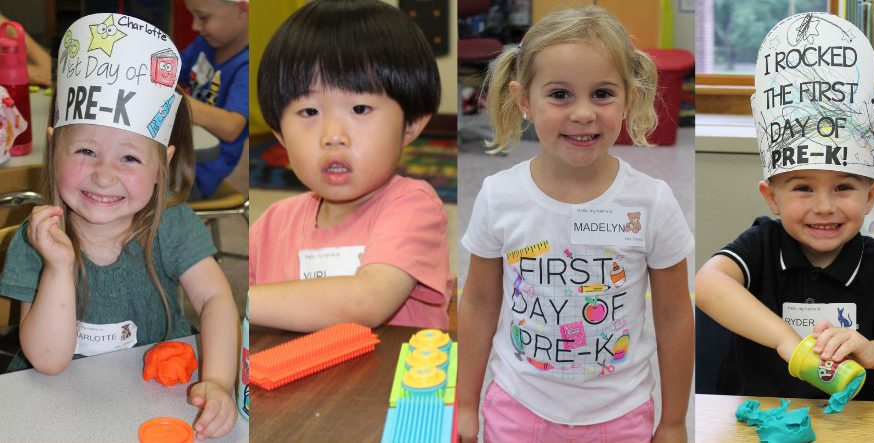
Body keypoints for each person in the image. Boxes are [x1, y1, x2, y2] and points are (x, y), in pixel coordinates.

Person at [458, 6, 695, 442]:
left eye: (602, 94)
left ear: (629, 97)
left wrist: (675, 421)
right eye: (561, 94)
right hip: (517, 410)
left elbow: (674, 315)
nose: (584, 113)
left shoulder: (651, 202)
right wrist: (466, 404)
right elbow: (477, 304)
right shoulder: (499, 197)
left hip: (620, 417)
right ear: (524, 99)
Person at [0, 14, 239, 438]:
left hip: (160, 396)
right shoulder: (38, 239)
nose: (104, 175)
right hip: (58, 401)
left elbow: (217, 300)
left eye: (129, 158)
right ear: (54, 148)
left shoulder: (171, 224)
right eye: (86, 150)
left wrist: (220, 380)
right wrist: (58, 266)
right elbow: (50, 361)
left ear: (160, 165)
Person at [695, 12, 874, 401]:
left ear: (870, 196)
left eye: (843, 187)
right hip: (754, 419)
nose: (824, 207)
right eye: (803, 188)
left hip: (848, 425)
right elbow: (708, 284)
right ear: (772, 197)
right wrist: (786, 341)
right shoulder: (763, 243)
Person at [249, 0, 450, 331]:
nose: (333, 136)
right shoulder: (271, 226)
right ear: (280, 135)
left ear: (411, 125)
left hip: (389, 381)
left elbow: (366, 302)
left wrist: (241, 302)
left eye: (359, 108)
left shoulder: (413, 206)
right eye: (309, 112)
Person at [180, 0, 249, 198]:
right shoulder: (205, 43)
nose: (195, 26)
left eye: (203, 17)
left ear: (242, 10)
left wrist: (179, 102)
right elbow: (174, 71)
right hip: (182, 150)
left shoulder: (246, 66)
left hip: (197, 172)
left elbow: (231, 127)